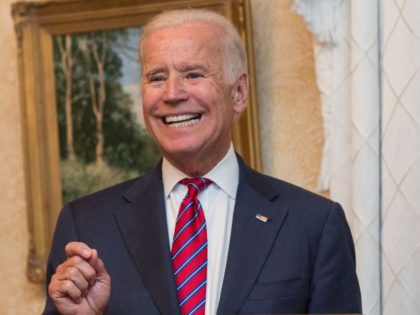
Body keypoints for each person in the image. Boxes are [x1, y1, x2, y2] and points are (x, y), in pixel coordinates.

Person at [43, 8, 362, 315]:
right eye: (156, 78)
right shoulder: (85, 224)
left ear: (238, 93)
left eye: (193, 74)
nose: (171, 93)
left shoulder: (313, 225)